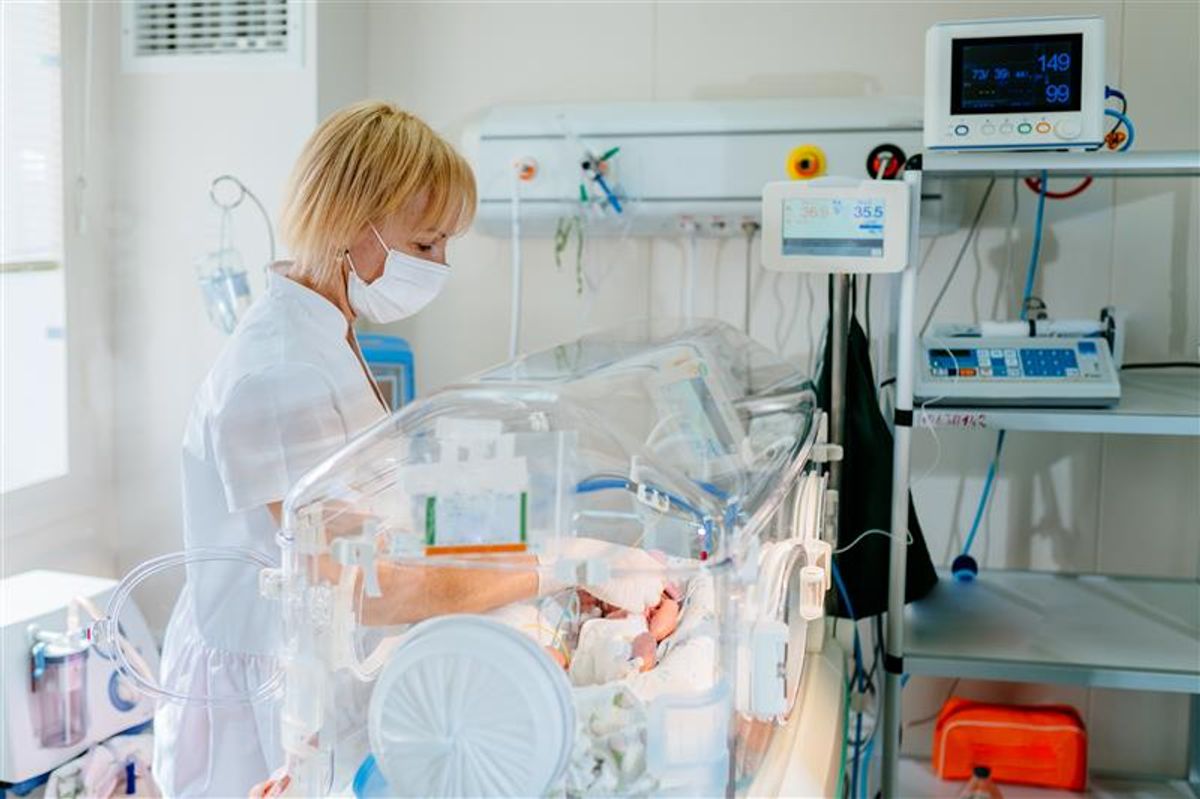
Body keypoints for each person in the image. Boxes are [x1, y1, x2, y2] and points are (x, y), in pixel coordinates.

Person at [155, 101, 666, 798]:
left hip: (320, 655)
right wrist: (561, 562)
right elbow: (365, 583)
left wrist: (537, 562)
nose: (439, 265)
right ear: (351, 223)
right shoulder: (279, 371)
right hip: (272, 693)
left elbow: (376, 518)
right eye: (426, 245)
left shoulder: (322, 326)